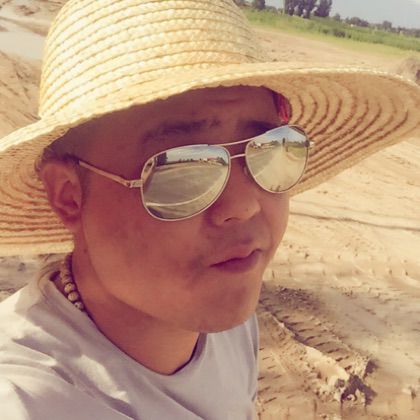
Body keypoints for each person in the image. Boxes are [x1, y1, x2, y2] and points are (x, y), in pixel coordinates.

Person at [0, 1, 419, 419]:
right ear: (70, 196)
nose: (244, 205)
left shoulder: (226, 321)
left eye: (272, 150)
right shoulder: (26, 401)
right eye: (184, 167)